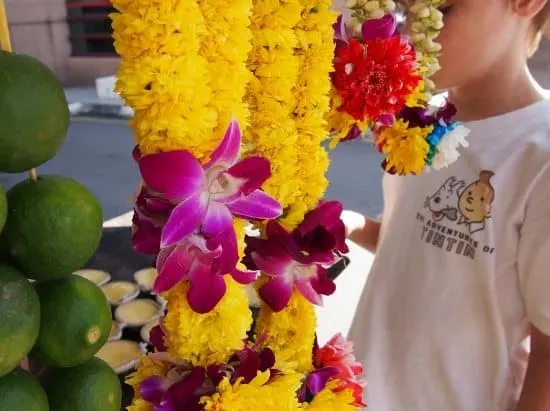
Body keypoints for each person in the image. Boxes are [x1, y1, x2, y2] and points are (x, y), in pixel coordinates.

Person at [345, 0, 550, 410]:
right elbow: (419, 241)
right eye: (404, 11)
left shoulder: (539, 154)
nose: (409, 31)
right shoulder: (420, 120)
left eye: (442, 10)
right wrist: (348, 228)